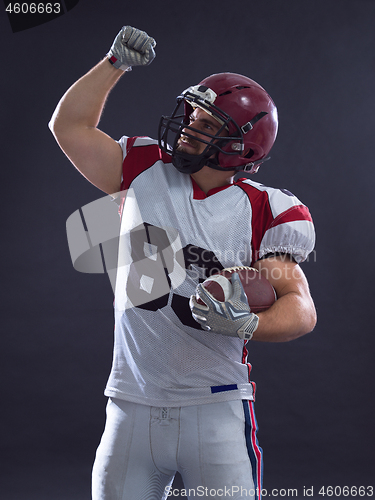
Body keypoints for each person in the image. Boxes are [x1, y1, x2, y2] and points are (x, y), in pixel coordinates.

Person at [49, 26, 317, 500]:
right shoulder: (141, 168)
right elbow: (68, 127)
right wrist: (114, 64)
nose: (190, 125)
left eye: (208, 123)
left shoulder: (264, 208)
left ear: (242, 146)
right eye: (193, 113)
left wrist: (248, 324)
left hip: (213, 408)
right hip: (130, 403)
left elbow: (302, 308)